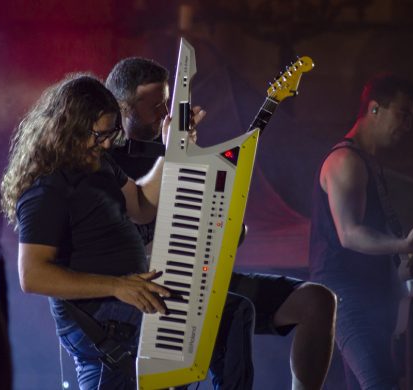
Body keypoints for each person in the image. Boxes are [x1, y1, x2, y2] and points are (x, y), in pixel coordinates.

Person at [0, 73, 254, 390]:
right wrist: (118, 286)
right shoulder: (47, 187)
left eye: (111, 134)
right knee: (223, 317)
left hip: (130, 297)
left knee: (232, 312)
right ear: (70, 127)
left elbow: (142, 205)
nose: (107, 143)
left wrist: (171, 149)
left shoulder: (99, 162)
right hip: (100, 317)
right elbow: (33, 275)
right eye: (99, 135)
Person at [106, 57, 337, 390]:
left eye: (166, 103)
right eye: (154, 105)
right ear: (122, 106)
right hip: (149, 296)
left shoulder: (181, 147)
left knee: (317, 300)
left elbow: (225, 230)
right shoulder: (106, 161)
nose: (164, 114)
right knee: (220, 322)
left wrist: (224, 217)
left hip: (202, 280)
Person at [308, 73, 413, 389]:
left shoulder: (368, 163)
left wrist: (403, 253)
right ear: (375, 109)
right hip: (345, 296)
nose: (407, 126)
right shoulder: (345, 161)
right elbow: (349, 234)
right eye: (402, 115)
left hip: (368, 295)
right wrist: (401, 243)